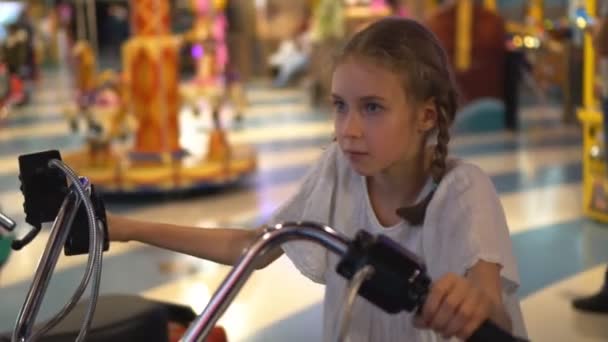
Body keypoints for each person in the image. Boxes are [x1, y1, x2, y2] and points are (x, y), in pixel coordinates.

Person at [108, 18, 527, 341]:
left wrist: (475, 308)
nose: (349, 129)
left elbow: (492, 308)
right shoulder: (338, 171)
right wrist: (127, 228)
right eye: (340, 106)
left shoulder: (463, 191)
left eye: (373, 108)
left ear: (426, 116)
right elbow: (253, 246)